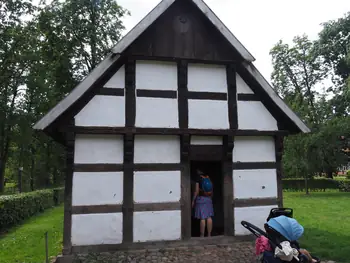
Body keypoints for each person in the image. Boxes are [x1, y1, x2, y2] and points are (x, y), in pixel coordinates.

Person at [192, 169, 214, 237]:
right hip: (208, 199)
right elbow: (212, 189)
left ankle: (202, 235)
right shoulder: (208, 177)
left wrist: (193, 200)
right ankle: (209, 234)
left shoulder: (198, 179)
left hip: (201, 199)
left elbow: (196, 191)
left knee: (202, 218)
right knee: (209, 217)